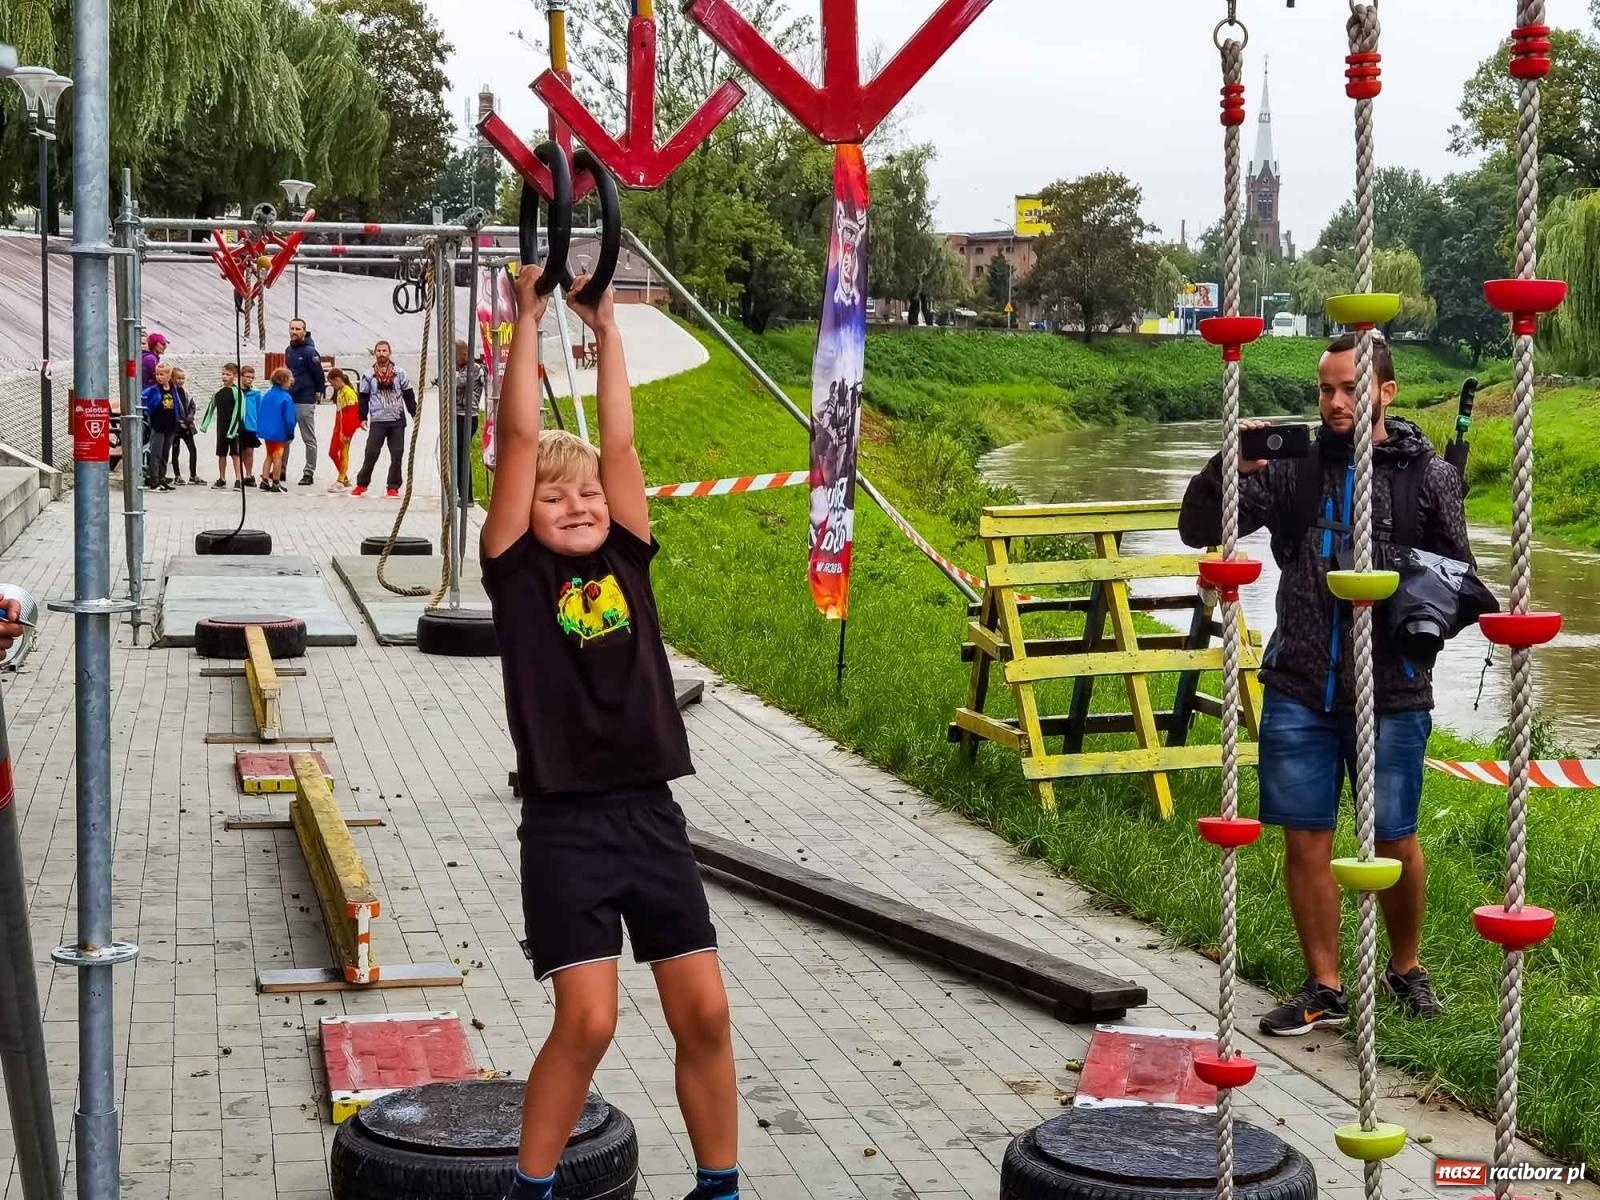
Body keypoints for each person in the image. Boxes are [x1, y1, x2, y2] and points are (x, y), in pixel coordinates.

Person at [481, 267, 738, 1200]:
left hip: (650, 817)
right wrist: (528, 320)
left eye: (586, 493)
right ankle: (533, 1188)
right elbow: (518, 440)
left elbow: (620, 442)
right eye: (556, 499)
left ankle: (721, 1187)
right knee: (588, 1022)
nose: (579, 505)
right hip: (564, 828)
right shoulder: (514, 576)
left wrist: (609, 328)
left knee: (705, 1011)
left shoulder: (627, 552)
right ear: (525, 514)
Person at [1178, 333, 1471, 1036]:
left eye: (1349, 388)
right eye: (1326, 390)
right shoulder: (1294, 472)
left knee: (1395, 839)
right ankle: (1325, 986)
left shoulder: (1427, 477)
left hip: (1394, 692)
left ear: (1385, 392)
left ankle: (1406, 968)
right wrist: (1228, 463)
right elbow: (1195, 528)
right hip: (1299, 685)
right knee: (1305, 839)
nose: (1336, 403)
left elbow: (1461, 581)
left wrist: (1415, 621)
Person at [353, 341, 416, 499]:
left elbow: (408, 394)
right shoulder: (368, 375)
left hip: (397, 420)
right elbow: (363, 397)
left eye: (384, 350)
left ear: (390, 353)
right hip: (378, 420)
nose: (381, 353)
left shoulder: (399, 373)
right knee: (371, 452)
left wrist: (414, 412)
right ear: (375, 353)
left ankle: (393, 486)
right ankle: (362, 484)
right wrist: (362, 417)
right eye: (379, 351)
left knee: (397, 454)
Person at [285, 318, 327, 486]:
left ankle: (308, 472)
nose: (294, 331)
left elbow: (319, 375)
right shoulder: (288, 350)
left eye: (298, 329)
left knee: (308, 438)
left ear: (304, 331)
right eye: (292, 328)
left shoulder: (310, 352)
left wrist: (319, 392)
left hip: (305, 400)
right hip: (289, 398)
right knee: (285, 437)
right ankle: (280, 469)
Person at [255, 367, 299, 493]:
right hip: (279, 433)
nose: (291, 382)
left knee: (269, 455)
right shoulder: (286, 398)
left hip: (267, 432)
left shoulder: (267, 394)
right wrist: (290, 431)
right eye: (290, 380)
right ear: (284, 381)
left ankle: (264, 480)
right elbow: (290, 418)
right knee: (278, 457)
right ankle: (276, 482)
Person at [202, 363, 245, 489]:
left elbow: (239, 412)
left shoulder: (238, 393)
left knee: (235, 454)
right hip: (221, 428)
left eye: (228, 374)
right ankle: (222, 478)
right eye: (223, 374)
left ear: (235, 376)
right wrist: (205, 425)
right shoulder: (218, 392)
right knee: (221, 454)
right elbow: (211, 408)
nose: (225, 377)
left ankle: (238, 479)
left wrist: (233, 429)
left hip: (234, 429)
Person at [455, 338, 487, 506]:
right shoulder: (464, 369)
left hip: (466, 417)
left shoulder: (473, 369)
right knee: (458, 455)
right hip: (458, 416)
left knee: (462, 455)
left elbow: (458, 384)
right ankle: (461, 493)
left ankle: (467, 496)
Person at [141, 361, 182, 491]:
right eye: (157, 374)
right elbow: (143, 397)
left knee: (165, 452)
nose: (159, 377)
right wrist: (147, 411)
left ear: (169, 375)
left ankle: (162, 478)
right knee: (155, 453)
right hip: (158, 425)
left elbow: (176, 403)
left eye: (162, 374)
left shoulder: (172, 388)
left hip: (170, 425)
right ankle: (154, 480)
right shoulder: (153, 390)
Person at [327, 368, 361, 492]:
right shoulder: (340, 392)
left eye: (332, 383)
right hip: (339, 428)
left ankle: (341, 480)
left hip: (345, 429)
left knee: (344, 453)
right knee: (332, 452)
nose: (332, 386)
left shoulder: (349, 393)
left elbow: (352, 415)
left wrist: (348, 432)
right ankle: (344, 477)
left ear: (338, 380)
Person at [168, 366, 201, 485]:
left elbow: (192, 406)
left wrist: (189, 419)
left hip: (187, 426)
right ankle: (177, 476)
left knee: (193, 449)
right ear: (172, 379)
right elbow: (171, 410)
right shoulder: (170, 394)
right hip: (176, 427)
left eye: (183, 378)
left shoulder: (186, 393)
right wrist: (179, 422)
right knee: (176, 451)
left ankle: (193, 475)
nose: (181, 381)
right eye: (178, 378)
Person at [238, 365, 263, 487]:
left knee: (249, 450)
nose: (250, 380)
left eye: (252, 378)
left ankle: (248, 474)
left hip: (251, 425)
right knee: (241, 450)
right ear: (241, 376)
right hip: (238, 424)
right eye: (247, 377)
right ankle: (243, 472)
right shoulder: (235, 391)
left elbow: (260, 409)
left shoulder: (256, 393)